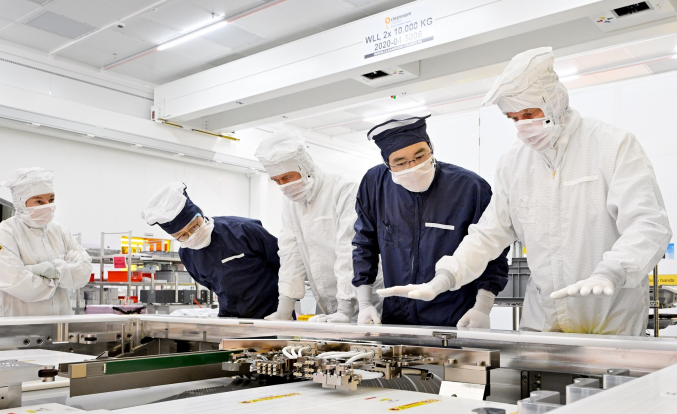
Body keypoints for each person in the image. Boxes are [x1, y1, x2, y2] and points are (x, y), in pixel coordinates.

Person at [381, 47, 671, 336]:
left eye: (529, 113)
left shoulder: (612, 145)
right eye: (513, 118)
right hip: (545, 318)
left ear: (555, 101)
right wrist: (445, 277)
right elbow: (488, 235)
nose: (523, 125)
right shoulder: (514, 163)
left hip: (612, 315)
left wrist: (613, 271)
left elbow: (649, 224)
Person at [354, 115, 509, 326]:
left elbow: (493, 253)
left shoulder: (470, 188)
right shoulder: (375, 184)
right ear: (387, 164)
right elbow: (364, 244)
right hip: (397, 318)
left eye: (420, 155)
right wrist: (364, 303)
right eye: (400, 162)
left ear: (431, 148)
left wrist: (482, 307)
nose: (414, 166)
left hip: (456, 318)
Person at [255, 130, 382, 322]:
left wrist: (346, 308)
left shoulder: (343, 189)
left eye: (287, 177)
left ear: (305, 168)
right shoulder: (291, 202)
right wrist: (285, 308)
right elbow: (291, 252)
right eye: (277, 181)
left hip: (366, 300)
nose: (283, 186)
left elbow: (349, 249)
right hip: (329, 303)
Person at [143, 182, 280, 319]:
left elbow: (282, 261)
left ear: (200, 214)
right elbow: (210, 284)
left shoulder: (243, 229)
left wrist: (286, 304)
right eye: (183, 235)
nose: (193, 235)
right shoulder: (187, 254)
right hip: (230, 318)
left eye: (194, 226)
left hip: (272, 313)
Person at [0, 168, 92, 317]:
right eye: (38, 201)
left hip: (60, 324)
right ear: (21, 203)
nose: (47, 206)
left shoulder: (60, 231)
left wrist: (50, 272)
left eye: (51, 200)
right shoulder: (5, 233)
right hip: (18, 327)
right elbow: (18, 283)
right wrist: (64, 274)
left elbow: (85, 271)